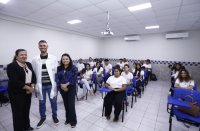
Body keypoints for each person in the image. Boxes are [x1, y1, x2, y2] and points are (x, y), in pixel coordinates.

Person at [32, 40, 59, 129]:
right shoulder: (35, 59)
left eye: (44, 45)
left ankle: (54, 116)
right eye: (41, 45)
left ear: (47, 46)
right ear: (38, 47)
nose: (42, 47)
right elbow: (33, 73)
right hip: (40, 85)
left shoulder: (53, 58)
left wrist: (56, 82)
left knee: (53, 101)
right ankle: (43, 118)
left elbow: (56, 71)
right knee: (41, 102)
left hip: (51, 84)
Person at [7, 49, 36, 131]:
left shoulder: (28, 64)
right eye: (21, 55)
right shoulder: (12, 66)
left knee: (26, 110)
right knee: (18, 112)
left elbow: (33, 76)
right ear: (16, 56)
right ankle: (19, 129)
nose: (24, 56)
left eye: (25, 54)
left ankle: (27, 126)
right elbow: (15, 81)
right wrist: (29, 88)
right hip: (17, 92)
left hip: (28, 91)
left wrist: (32, 87)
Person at [56, 54, 78, 128]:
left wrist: (66, 84)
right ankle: (67, 119)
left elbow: (75, 77)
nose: (65, 60)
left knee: (71, 105)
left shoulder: (73, 67)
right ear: (61, 60)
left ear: (69, 59)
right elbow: (57, 77)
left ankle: (73, 121)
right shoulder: (59, 68)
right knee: (66, 104)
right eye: (63, 59)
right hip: (62, 88)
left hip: (71, 87)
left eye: (66, 59)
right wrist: (61, 85)